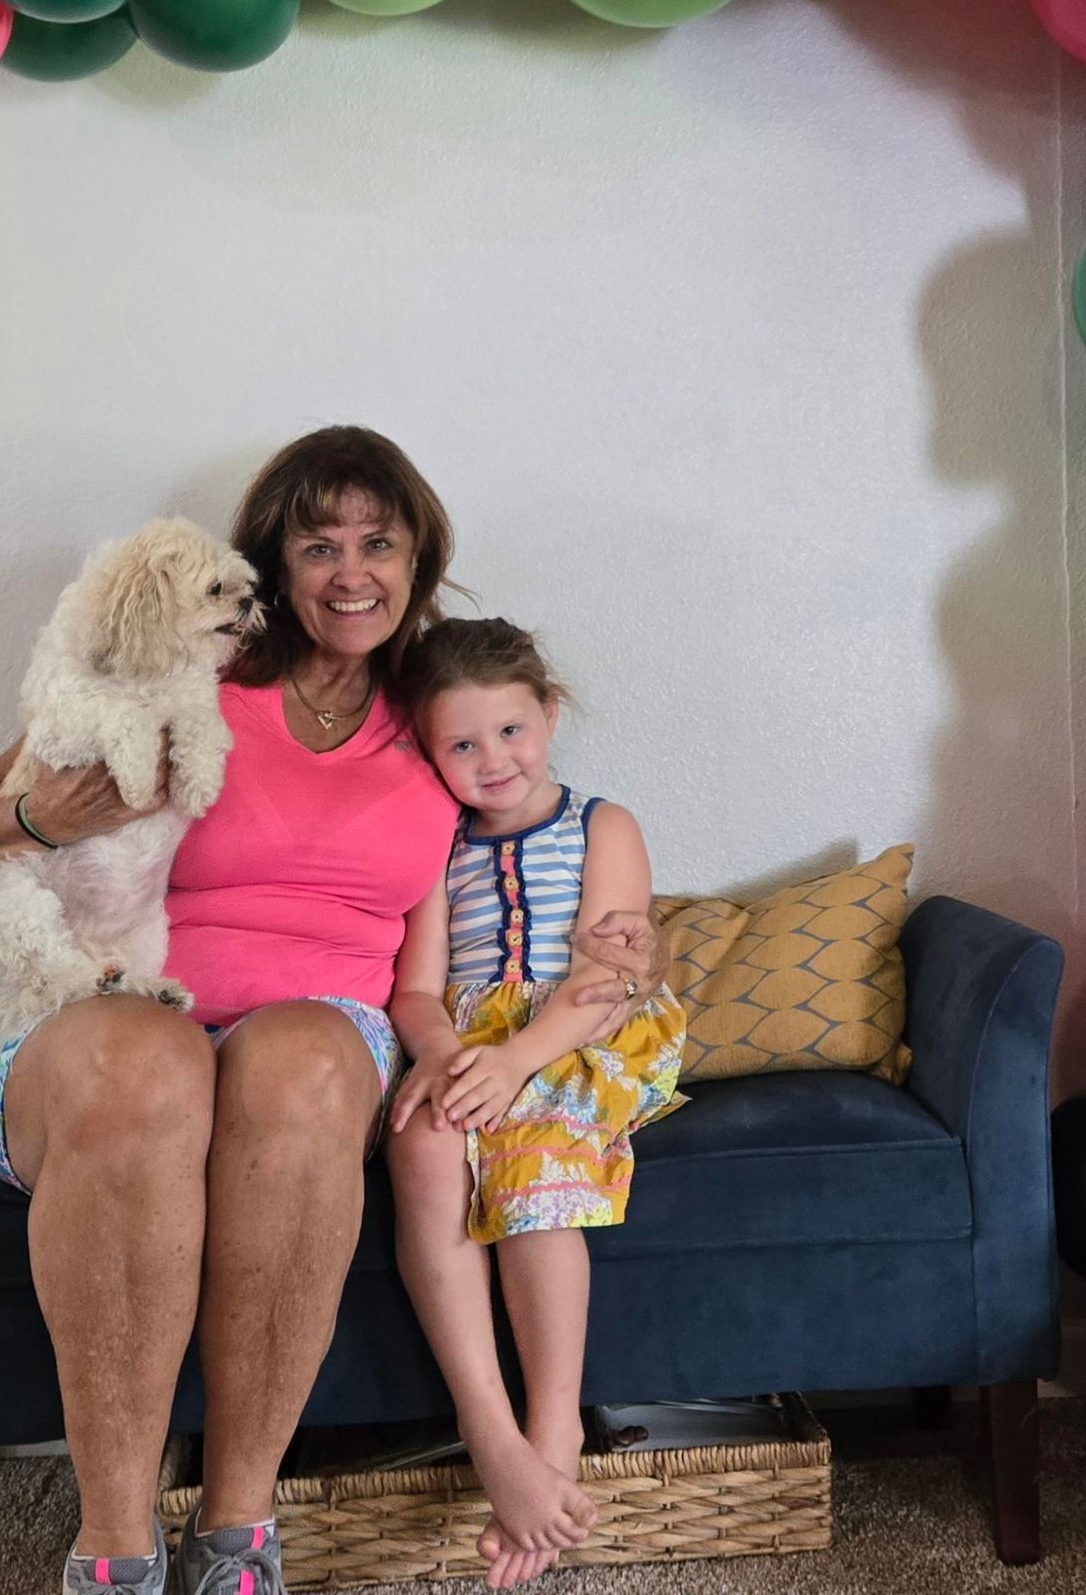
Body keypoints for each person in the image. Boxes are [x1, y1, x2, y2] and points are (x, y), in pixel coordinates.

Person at [0, 428, 667, 1595]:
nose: (350, 570)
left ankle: (239, 1537)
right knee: (145, 1061)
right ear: (272, 557)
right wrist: (42, 822)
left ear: (417, 553)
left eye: (378, 541)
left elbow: (551, 843)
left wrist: (620, 949)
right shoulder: (186, 664)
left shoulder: (439, 711)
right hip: (109, 1014)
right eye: (318, 541)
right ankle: (116, 1551)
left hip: (320, 1038)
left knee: (302, 1060)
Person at [387, 618, 686, 1593]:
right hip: (478, 1039)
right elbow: (416, 993)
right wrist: (445, 1055)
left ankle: (550, 1427)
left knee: (529, 1143)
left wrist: (515, 1060)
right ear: (431, 754)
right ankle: (496, 1433)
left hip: (580, 1033)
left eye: (511, 730)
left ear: (549, 714)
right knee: (427, 1136)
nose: (493, 760)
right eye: (462, 744)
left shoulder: (605, 823)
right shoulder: (436, 848)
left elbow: (608, 977)